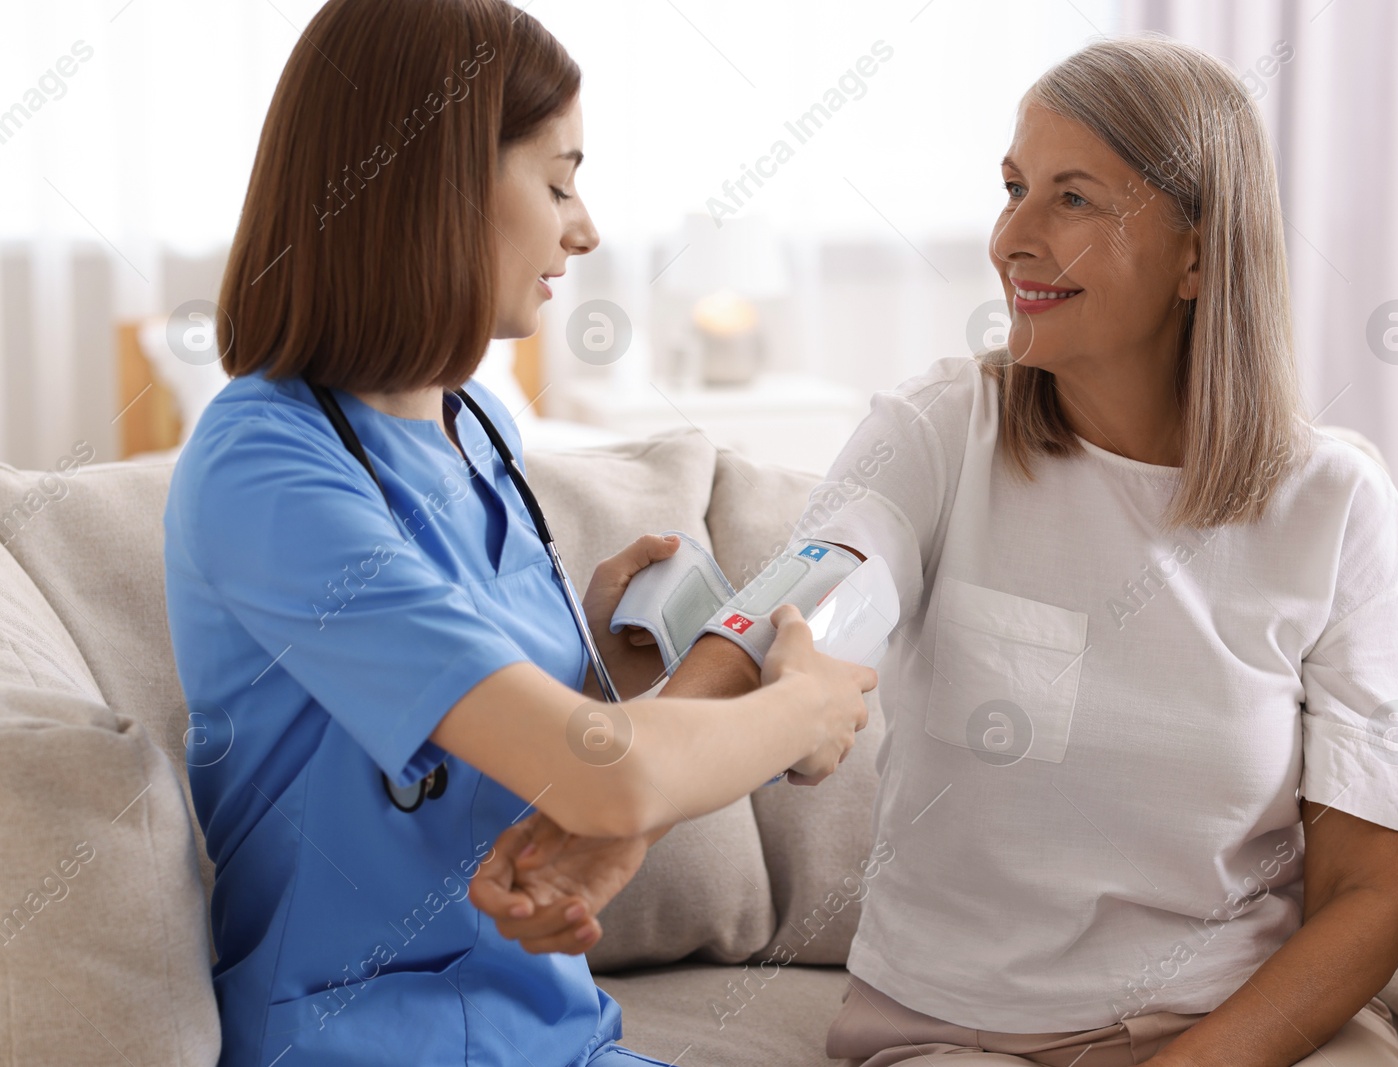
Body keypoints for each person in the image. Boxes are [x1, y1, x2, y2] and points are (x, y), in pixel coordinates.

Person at [473, 35, 1398, 1067]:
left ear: (1198, 252)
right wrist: (634, 794)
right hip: (969, 1037)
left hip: (1239, 1032)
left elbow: (1366, 887)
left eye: (1071, 198)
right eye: (1013, 187)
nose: (1010, 236)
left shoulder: (1336, 506)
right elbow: (802, 605)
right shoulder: (940, 431)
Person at [160, 2, 875, 1064]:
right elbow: (607, 779)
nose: (582, 229)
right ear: (433, 187)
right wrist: (802, 706)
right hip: (355, 1042)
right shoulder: (263, 469)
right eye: (557, 181)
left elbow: (533, 761)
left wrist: (604, 661)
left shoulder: (476, 421)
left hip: (554, 1034)